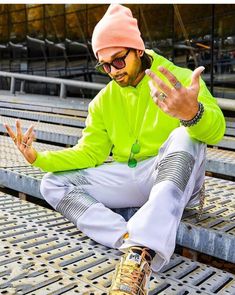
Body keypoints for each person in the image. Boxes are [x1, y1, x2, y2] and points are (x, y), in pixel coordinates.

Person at [5, 4, 225, 295]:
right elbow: (90, 153)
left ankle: (138, 256)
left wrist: (192, 113)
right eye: (104, 65)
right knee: (52, 183)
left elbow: (217, 131)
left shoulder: (178, 79)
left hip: (176, 177)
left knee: (185, 135)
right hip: (134, 175)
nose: (112, 72)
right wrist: (39, 157)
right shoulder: (103, 101)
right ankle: (131, 241)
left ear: (138, 50)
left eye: (118, 61)